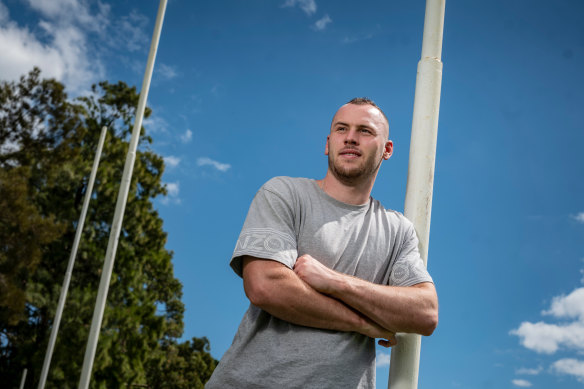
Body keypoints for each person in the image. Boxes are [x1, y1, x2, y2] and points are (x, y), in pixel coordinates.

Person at [205, 98, 438, 389]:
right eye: (342, 129)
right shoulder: (285, 193)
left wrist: (334, 282)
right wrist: (365, 324)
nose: (351, 137)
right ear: (328, 143)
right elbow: (265, 286)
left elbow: (425, 312)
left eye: (365, 131)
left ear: (387, 149)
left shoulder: (397, 229)